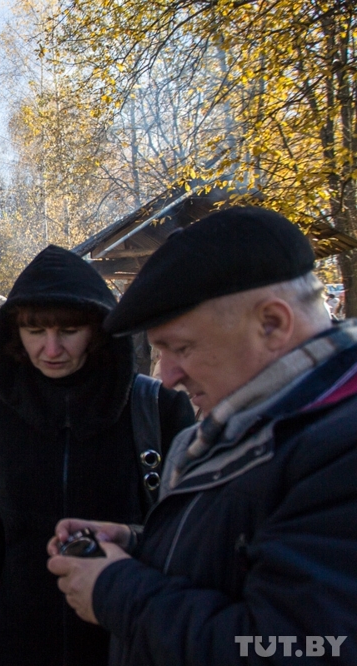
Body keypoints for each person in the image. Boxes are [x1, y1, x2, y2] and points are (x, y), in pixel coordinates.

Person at [47, 207, 357, 665]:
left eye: (183, 348)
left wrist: (118, 589)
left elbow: (306, 648)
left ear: (271, 323)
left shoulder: (340, 451)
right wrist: (140, 545)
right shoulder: (264, 424)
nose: (168, 377)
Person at [0, 246, 194, 666]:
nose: (51, 348)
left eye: (68, 330)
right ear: (14, 334)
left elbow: (190, 536)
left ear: (98, 328)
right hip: (22, 637)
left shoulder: (157, 410)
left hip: (126, 632)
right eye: (35, 332)